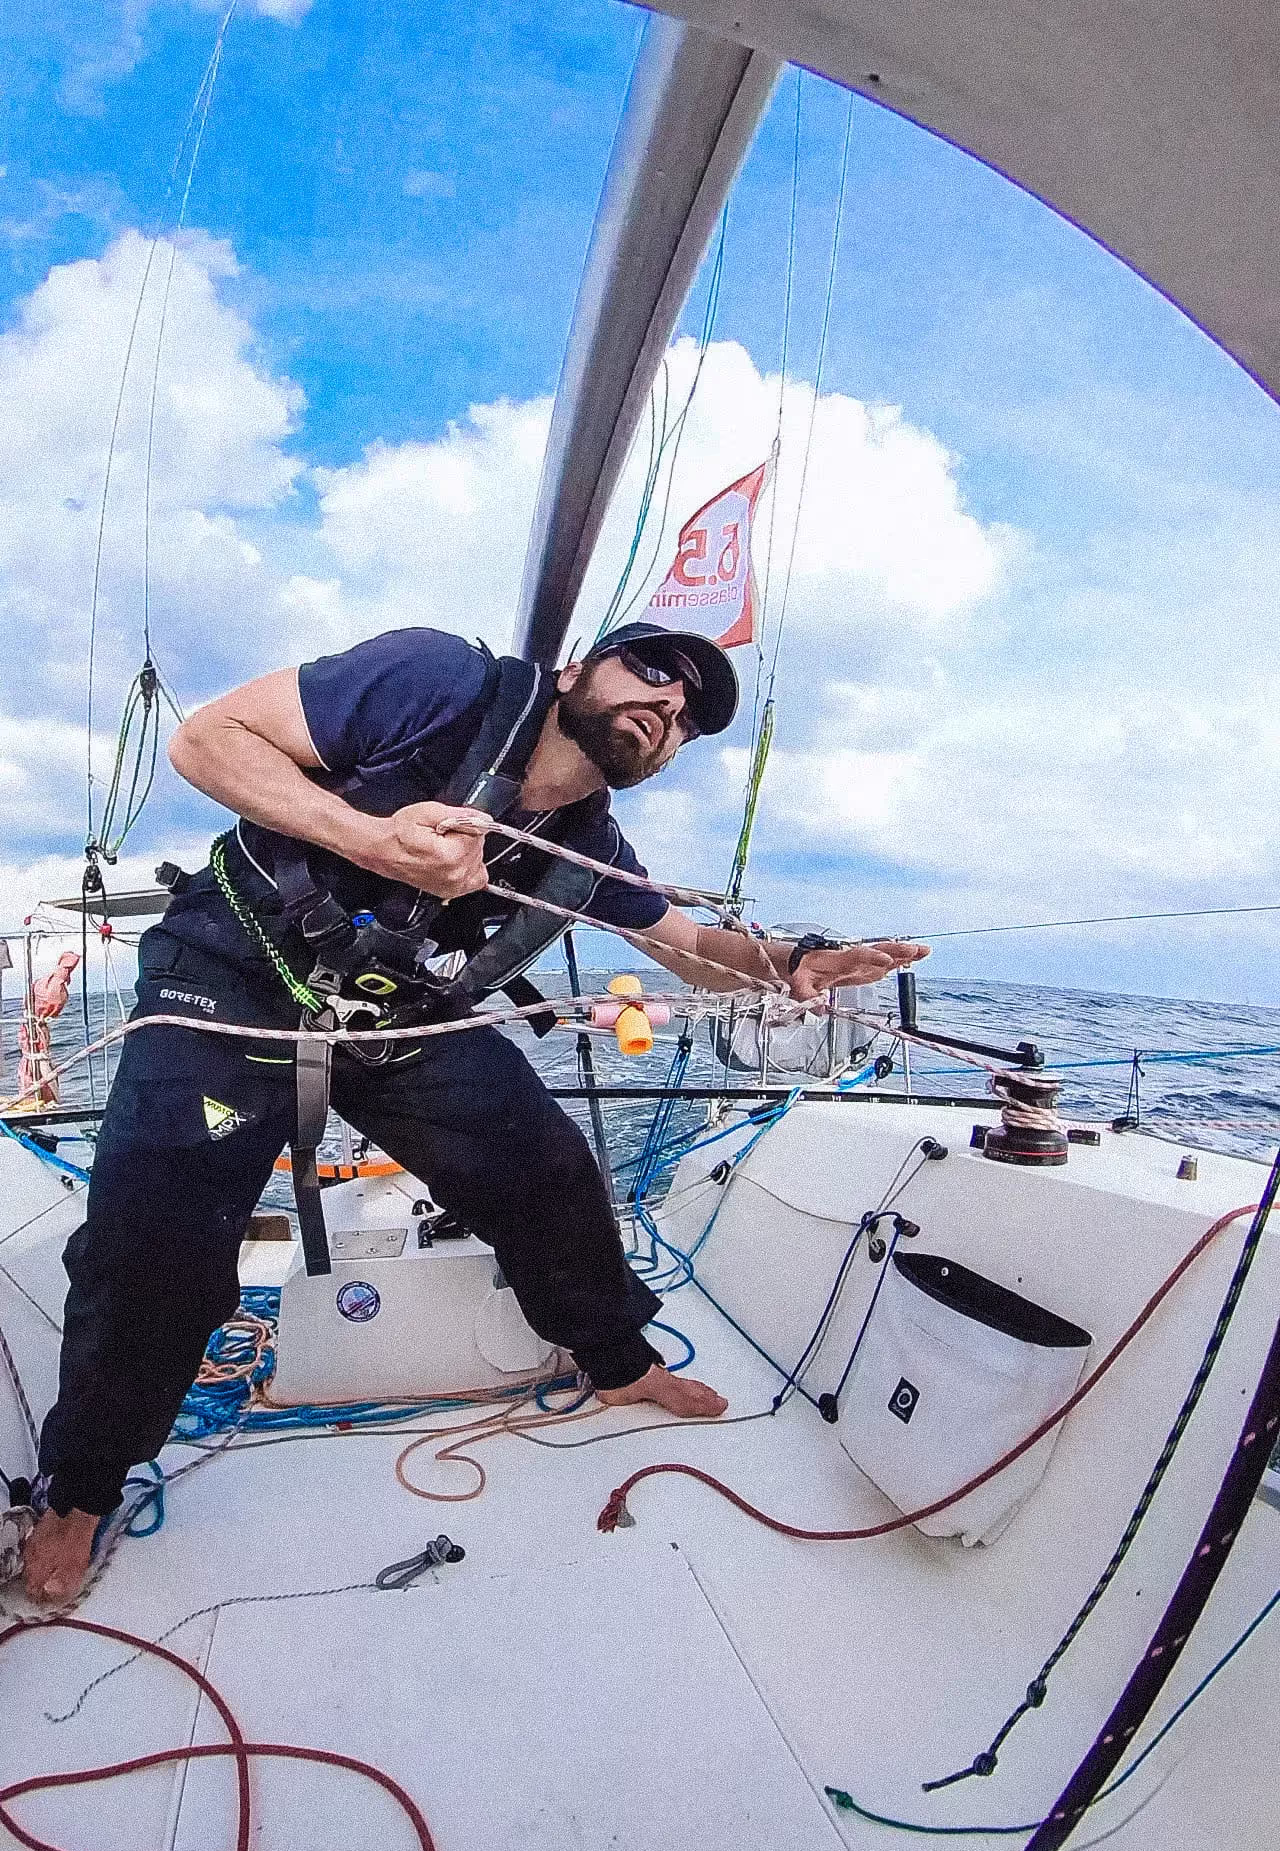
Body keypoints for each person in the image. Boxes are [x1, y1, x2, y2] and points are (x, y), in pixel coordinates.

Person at [22, 620, 927, 1603]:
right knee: (157, 1239)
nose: (669, 706)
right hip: (233, 979)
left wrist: (792, 965)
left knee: (542, 1165)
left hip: (389, 1018)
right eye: (655, 670)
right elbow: (207, 739)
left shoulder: (586, 851)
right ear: (579, 666)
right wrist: (374, 839)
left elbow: (688, 946)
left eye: (689, 717)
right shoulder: (436, 682)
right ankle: (80, 1485)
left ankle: (615, 1357)